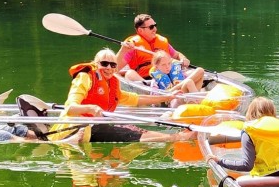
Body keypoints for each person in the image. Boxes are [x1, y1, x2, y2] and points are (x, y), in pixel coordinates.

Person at [44, 46, 192, 143]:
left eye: (113, 65)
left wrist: (168, 96)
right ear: (96, 64)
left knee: (138, 131)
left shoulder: (113, 83)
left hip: (98, 126)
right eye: (104, 64)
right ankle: (178, 138)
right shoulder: (86, 77)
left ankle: (176, 138)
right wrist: (90, 108)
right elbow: (70, 108)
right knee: (134, 134)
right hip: (78, 126)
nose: (109, 68)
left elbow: (136, 99)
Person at [215, 98, 279, 177]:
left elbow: (247, 165)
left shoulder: (249, 132)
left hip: (261, 182)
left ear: (250, 112)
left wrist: (220, 161)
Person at [121, 13, 207, 87]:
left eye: (155, 25)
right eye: (151, 27)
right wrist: (123, 50)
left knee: (200, 71)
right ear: (140, 30)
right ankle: (156, 90)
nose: (155, 29)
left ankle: (176, 87)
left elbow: (176, 55)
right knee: (129, 73)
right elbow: (116, 67)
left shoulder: (161, 41)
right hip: (148, 79)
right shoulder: (132, 46)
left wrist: (183, 58)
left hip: (169, 76)